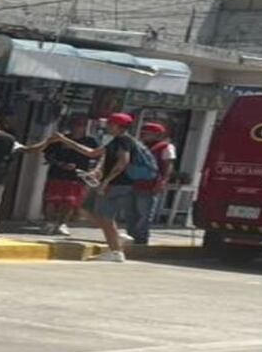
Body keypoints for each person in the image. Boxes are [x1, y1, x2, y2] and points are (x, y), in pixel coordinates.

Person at [54, 112, 152, 262]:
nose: (107, 126)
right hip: (114, 184)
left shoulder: (124, 141)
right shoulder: (115, 141)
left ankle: (116, 252)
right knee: (87, 210)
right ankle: (117, 237)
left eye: (110, 123)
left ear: (118, 126)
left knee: (105, 218)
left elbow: (123, 162)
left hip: (117, 184)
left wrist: (106, 182)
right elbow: (92, 153)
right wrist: (65, 140)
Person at [40, 116, 98, 236]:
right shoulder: (60, 139)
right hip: (57, 174)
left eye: (82, 125)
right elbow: (48, 155)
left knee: (70, 202)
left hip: (77, 176)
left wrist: (93, 171)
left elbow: (97, 156)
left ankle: (62, 224)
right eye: (76, 124)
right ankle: (49, 223)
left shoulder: (90, 141)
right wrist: (60, 164)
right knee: (52, 199)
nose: (78, 127)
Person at [129, 122, 177, 244]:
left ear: (157, 134)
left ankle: (141, 237)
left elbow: (168, 165)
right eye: (143, 132)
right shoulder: (140, 147)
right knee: (131, 212)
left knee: (145, 213)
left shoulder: (166, 147)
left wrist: (162, 182)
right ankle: (131, 235)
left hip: (150, 185)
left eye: (147, 133)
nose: (143, 135)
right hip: (134, 183)